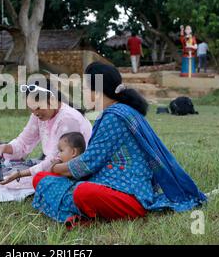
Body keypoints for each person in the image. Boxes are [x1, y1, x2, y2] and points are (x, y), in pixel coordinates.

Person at [31, 62, 207, 229]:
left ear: (97, 91)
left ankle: (77, 210)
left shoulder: (115, 117)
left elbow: (87, 164)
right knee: (40, 178)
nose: (83, 93)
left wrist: (57, 168)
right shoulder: (117, 111)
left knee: (82, 191)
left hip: (130, 196)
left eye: (85, 88)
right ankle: (78, 207)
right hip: (106, 183)